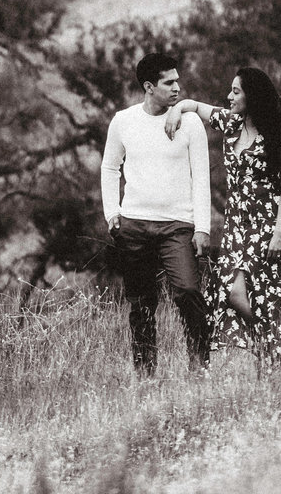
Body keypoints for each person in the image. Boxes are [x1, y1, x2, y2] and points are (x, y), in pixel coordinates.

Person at [164, 66, 281, 363]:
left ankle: (280, 352)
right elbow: (198, 107)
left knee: (265, 297)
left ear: (252, 96)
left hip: (268, 226)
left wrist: (279, 233)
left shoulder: (274, 135)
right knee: (231, 292)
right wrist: (178, 109)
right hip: (238, 225)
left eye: (236, 91)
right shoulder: (231, 124)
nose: (229, 96)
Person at [101, 51, 211, 374]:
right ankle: (146, 373)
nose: (177, 87)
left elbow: (201, 176)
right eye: (169, 82)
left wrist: (202, 227)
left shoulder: (190, 123)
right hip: (134, 226)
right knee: (141, 304)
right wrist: (112, 213)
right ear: (149, 86)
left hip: (178, 225)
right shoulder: (123, 121)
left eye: (178, 80)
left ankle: (200, 366)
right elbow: (109, 167)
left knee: (189, 291)